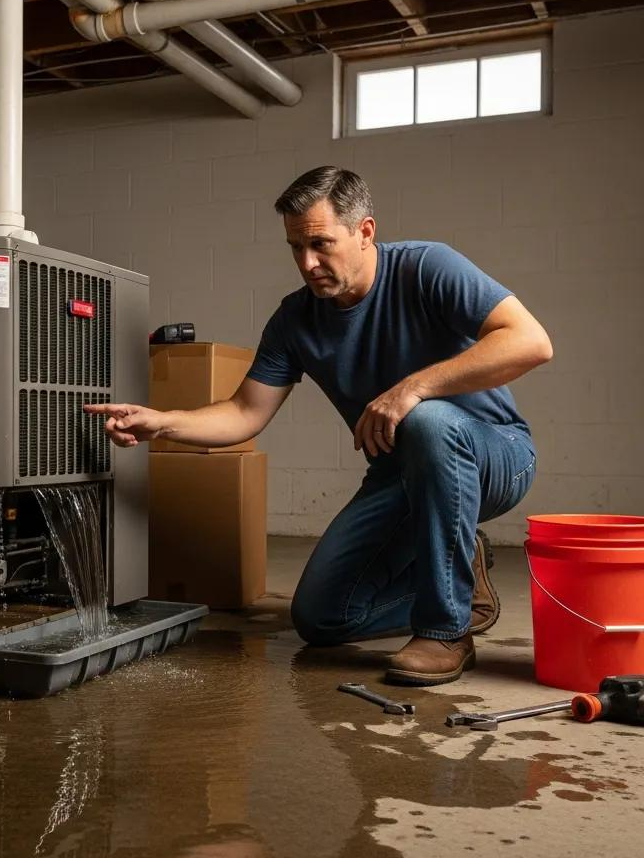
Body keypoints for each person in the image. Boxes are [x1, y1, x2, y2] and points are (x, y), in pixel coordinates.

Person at [85, 166, 551, 686]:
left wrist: (412, 388)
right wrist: (163, 422)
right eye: (295, 248)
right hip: (401, 473)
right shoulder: (295, 319)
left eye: (321, 244)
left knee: (429, 420)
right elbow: (245, 412)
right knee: (323, 617)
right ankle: (465, 587)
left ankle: (445, 630)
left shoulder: (427, 268)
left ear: (365, 232)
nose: (308, 263)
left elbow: (531, 341)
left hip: (496, 456)